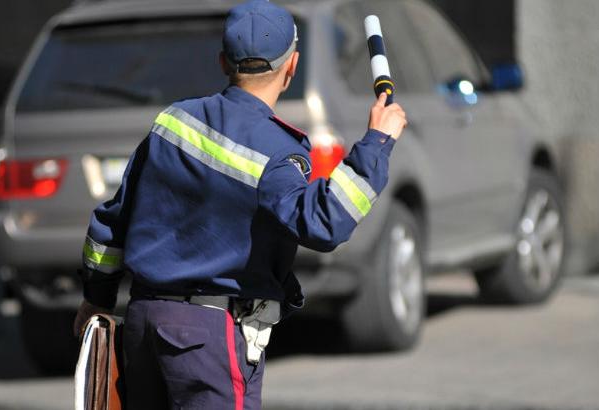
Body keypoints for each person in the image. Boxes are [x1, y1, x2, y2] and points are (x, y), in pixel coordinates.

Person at [73, 0, 407, 408]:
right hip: (207, 337)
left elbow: (113, 222)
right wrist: (377, 143)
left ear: (222, 61)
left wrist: (96, 299)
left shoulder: (173, 122)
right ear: (292, 66)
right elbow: (325, 223)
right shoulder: (277, 153)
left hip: (143, 324)